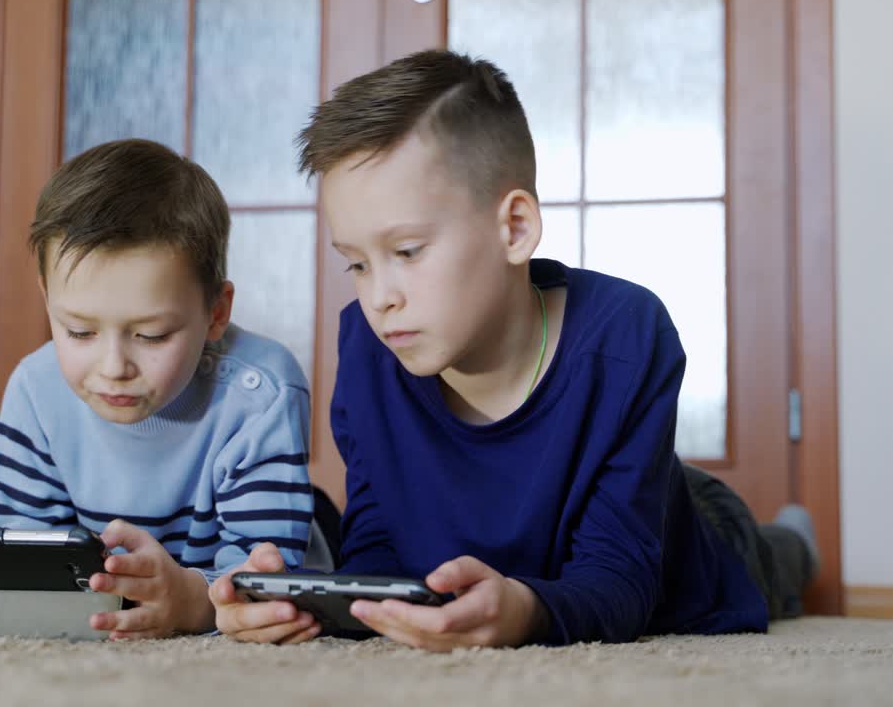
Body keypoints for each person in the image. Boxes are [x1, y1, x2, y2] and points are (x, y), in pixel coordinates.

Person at [210, 50, 818, 651]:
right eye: (357, 264)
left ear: (515, 228)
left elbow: (620, 579)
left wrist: (526, 612)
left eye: (408, 252)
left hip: (680, 533)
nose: (380, 297)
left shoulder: (628, 335)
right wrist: (306, 605)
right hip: (570, 521)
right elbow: (377, 544)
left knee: (768, 558)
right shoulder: (369, 346)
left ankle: (795, 539)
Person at [0, 139, 317, 642]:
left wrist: (190, 602)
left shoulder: (260, 393)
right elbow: (31, 546)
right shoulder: (36, 389)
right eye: (78, 331)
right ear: (47, 299)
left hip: (275, 535)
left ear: (216, 313)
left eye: (151, 335)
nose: (113, 366)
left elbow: (262, 578)